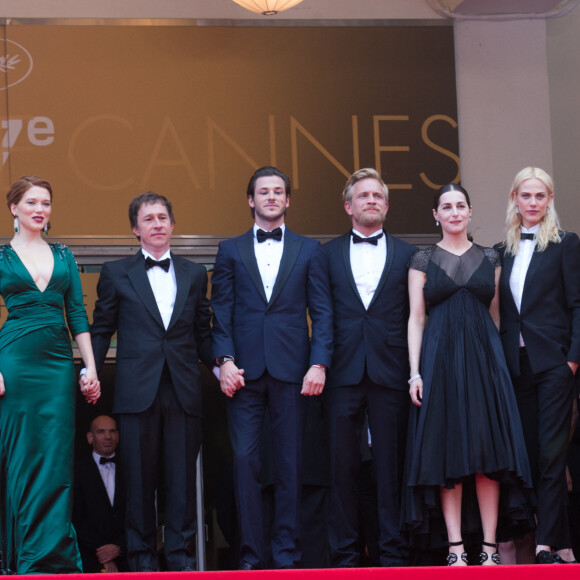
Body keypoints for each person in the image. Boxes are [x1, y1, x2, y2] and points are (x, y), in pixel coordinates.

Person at [404, 183, 533, 566]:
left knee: (487, 454)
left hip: (485, 362)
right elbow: (416, 319)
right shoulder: (421, 259)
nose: (455, 212)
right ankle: (456, 549)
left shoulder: (491, 256)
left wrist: (500, 368)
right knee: (449, 453)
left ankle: (490, 549)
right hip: (439, 361)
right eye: (447, 206)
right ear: (436, 215)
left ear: (471, 211)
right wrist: (415, 373)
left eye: (461, 205)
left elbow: (495, 315)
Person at [210, 166, 333, 570]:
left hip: (293, 371)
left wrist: (319, 362)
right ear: (251, 200)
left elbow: (323, 312)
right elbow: (221, 311)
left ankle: (287, 555)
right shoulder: (229, 250)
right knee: (245, 462)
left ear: (287, 200)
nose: (271, 197)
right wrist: (224, 361)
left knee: (289, 464)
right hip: (242, 374)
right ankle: (249, 555)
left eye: (278, 191)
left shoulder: (309, 249)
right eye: (263, 192)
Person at [89, 191, 213, 571]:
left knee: (180, 486)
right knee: (139, 486)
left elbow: (202, 332)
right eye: (149, 219)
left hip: (182, 390)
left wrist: (223, 363)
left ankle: (182, 563)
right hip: (135, 392)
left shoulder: (194, 273)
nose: (157, 224)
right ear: (135, 229)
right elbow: (101, 328)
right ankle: (142, 565)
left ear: (172, 225)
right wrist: (88, 369)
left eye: (163, 218)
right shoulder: (115, 272)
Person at [0, 176, 100, 574]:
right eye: (31, 202)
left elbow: (77, 312)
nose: (39, 209)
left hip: (58, 364)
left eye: (46, 203)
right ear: (14, 209)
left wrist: (90, 366)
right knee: (22, 458)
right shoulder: (1, 258)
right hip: (15, 362)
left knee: (56, 458)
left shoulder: (64, 255)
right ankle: (23, 555)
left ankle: (53, 556)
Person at [321, 168, 415, 567]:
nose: (371, 200)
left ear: (387, 206)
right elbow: (321, 314)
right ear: (348, 206)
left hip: (391, 369)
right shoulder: (324, 254)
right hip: (341, 370)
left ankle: (391, 554)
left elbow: (418, 316)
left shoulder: (410, 254)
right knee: (341, 467)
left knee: (391, 467)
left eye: (378, 196)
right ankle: (344, 555)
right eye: (363, 196)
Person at [496, 167, 580, 564]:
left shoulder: (566, 244)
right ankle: (559, 541)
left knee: (551, 454)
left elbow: (578, 304)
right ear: (514, 198)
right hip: (516, 365)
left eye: (540, 196)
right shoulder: (501, 250)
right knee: (529, 453)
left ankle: (546, 543)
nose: (532, 203)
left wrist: (572, 360)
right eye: (526, 196)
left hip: (554, 364)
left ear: (549, 201)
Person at [73, 415, 127, 573]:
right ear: (90, 437)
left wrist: (119, 547)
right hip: (89, 559)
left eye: (112, 431)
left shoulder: (130, 469)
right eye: (101, 432)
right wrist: (103, 554)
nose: (108, 436)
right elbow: (76, 518)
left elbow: (138, 516)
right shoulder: (77, 471)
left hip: (127, 559)